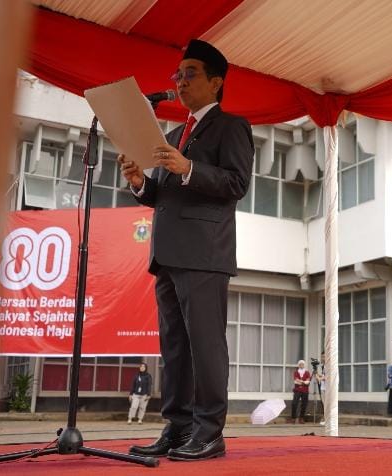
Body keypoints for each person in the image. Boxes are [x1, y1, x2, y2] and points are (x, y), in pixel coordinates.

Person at [120, 39, 254, 461]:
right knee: (175, 346)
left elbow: (237, 184)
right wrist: (140, 182)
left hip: (204, 253)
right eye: (177, 75)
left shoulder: (232, 126)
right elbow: (163, 195)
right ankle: (178, 428)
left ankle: (210, 432)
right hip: (167, 254)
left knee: (205, 344)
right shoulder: (174, 134)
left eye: (190, 73)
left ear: (216, 82)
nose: (179, 81)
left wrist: (190, 168)